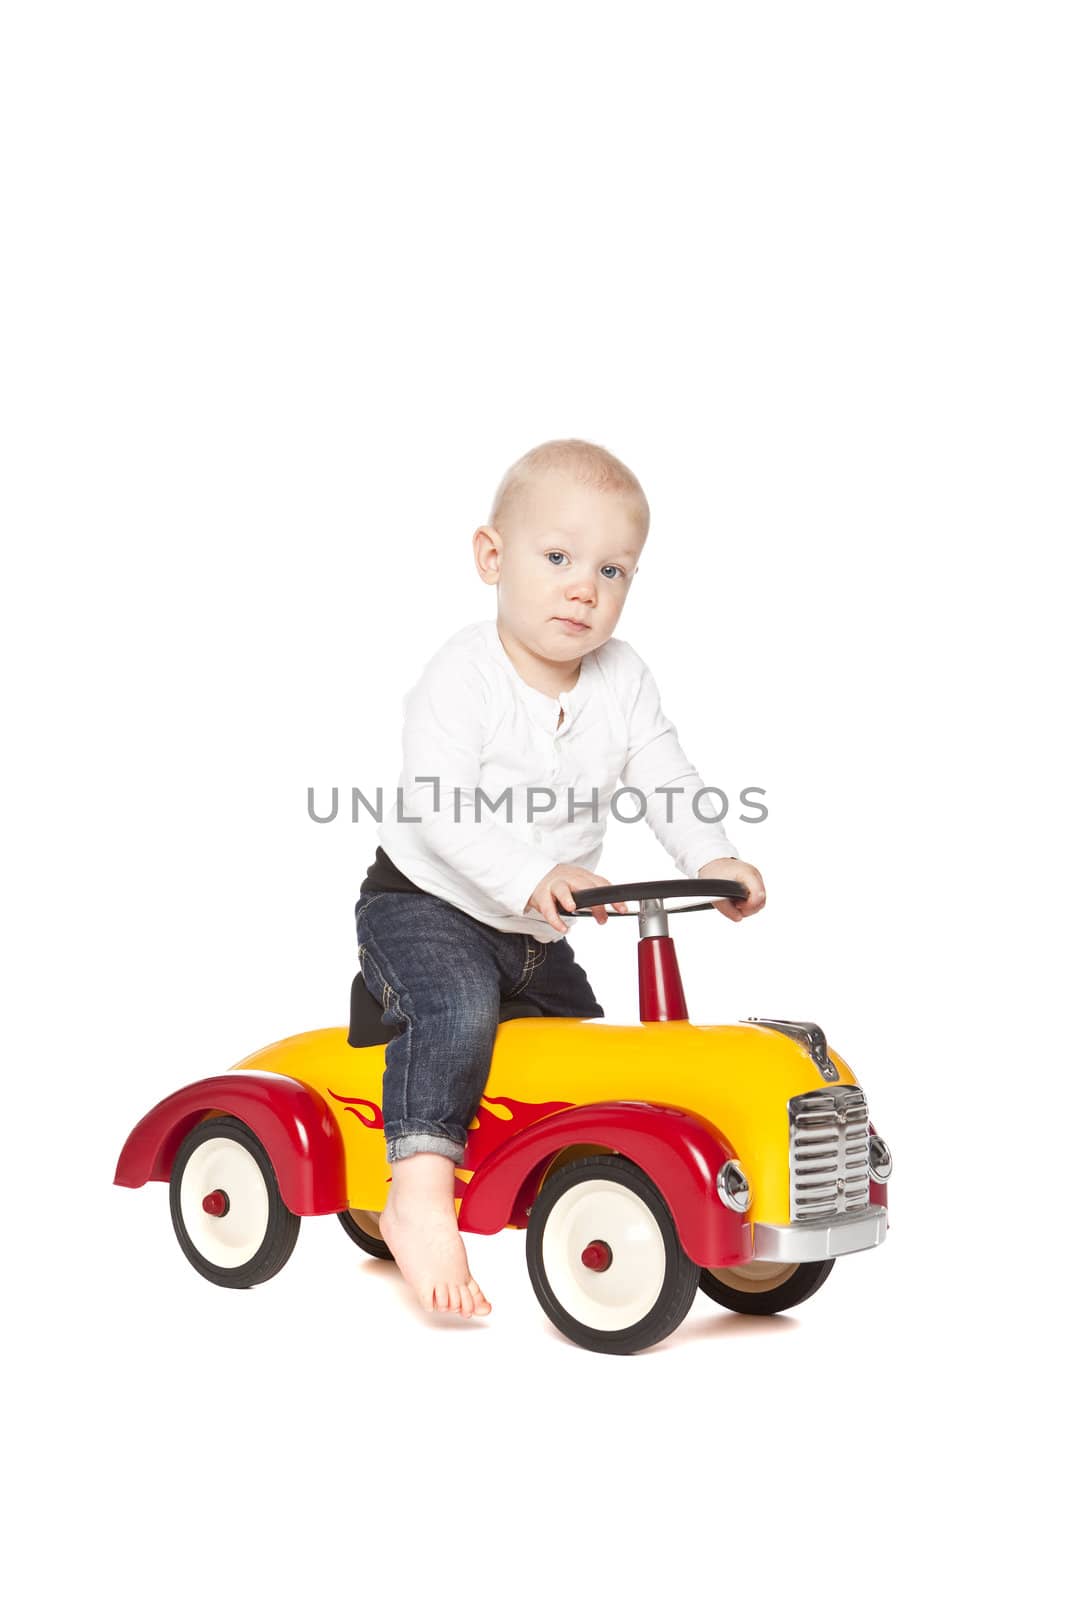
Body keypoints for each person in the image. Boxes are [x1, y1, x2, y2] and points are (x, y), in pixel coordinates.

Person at [354, 438, 766, 1320]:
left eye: (612, 569)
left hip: (534, 935)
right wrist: (534, 870)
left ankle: (575, 1188)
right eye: (557, 558)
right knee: (457, 1010)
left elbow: (667, 775)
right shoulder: (463, 674)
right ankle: (417, 1194)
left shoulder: (622, 679)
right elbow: (442, 805)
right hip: (427, 905)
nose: (585, 586)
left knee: (580, 1052)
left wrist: (711, 858)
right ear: (491, 558)